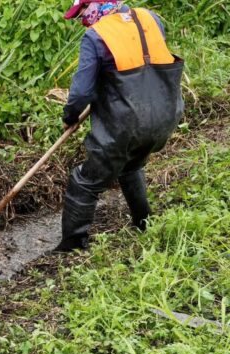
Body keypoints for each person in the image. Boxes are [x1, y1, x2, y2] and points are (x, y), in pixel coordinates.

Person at [54, 0, 184, 252]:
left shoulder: (96, 36)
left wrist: (70, 117)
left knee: (84, 181)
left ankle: (72, 246)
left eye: (82, 12)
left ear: (95, 4)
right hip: (165, 116)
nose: (82, 19)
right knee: (131, 165)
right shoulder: (149, 18)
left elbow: (81, 93)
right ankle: (144, 223)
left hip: (126, 125)